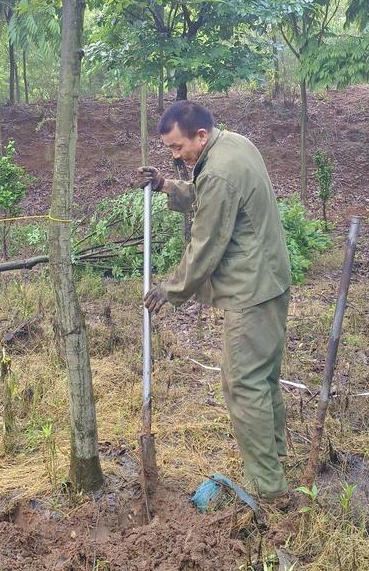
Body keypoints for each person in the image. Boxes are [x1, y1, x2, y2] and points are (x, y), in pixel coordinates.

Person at [139, 101, 292, 503]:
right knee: (263, 379)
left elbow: (206, 245)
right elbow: (212, 196)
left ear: (200, 136)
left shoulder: (220, 170)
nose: (175, 156)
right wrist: (168, 186)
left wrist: (169, 290)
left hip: (251, 291)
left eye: (177, 148)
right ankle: (274, 460)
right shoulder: (234, 145)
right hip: (271, 279)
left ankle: (270, 490)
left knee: (243, 384)